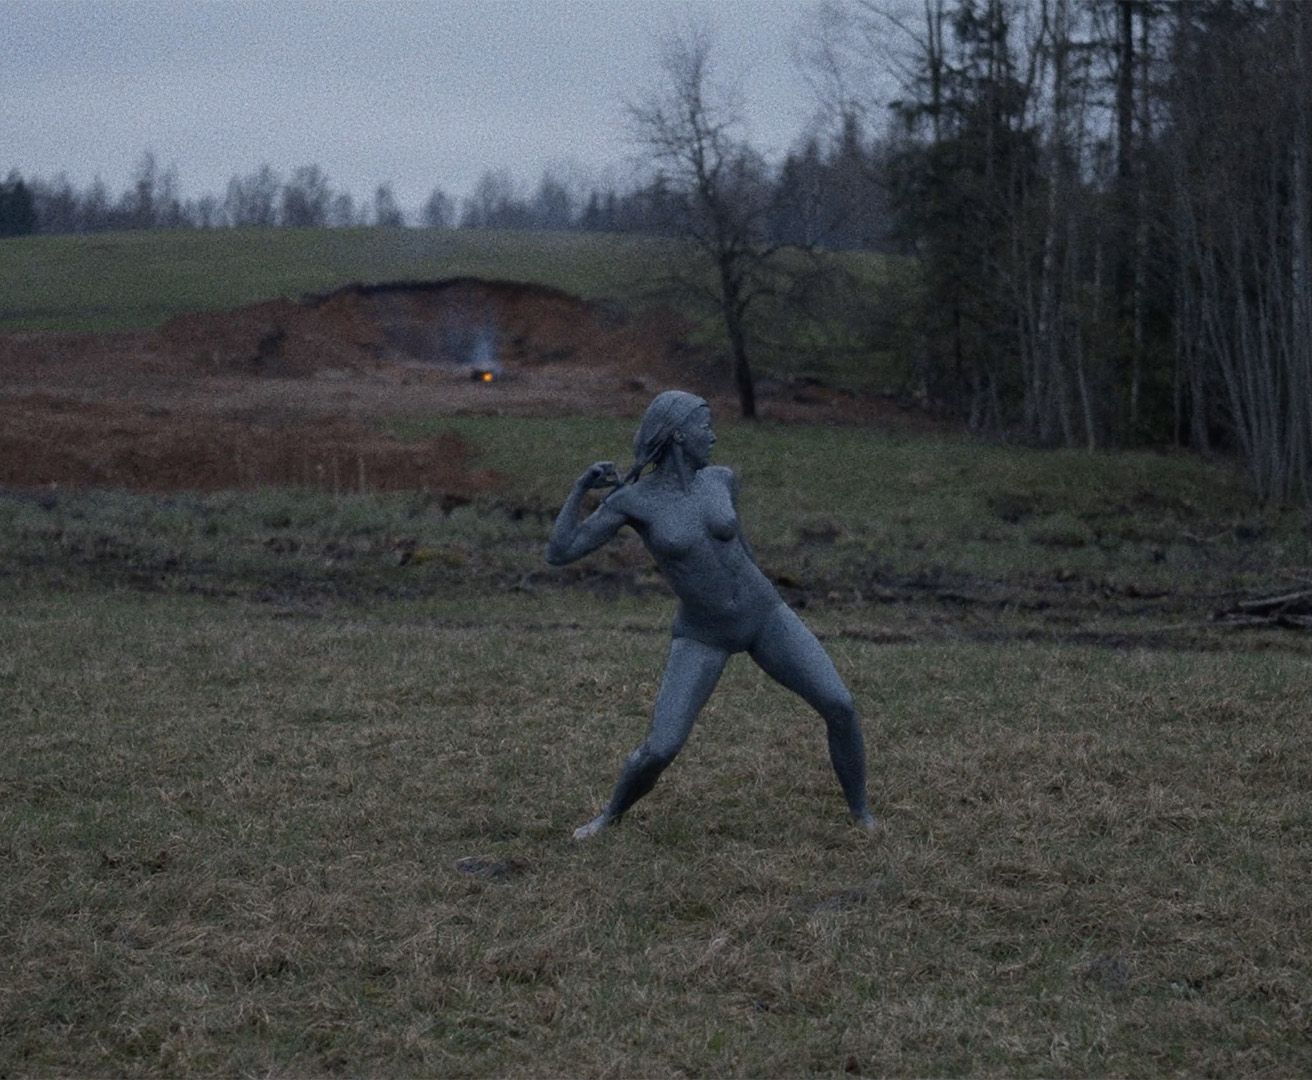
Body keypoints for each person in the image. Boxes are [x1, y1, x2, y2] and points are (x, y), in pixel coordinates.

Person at [546, 390, 876, 840]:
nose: (713, 436)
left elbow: (741, 548)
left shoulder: (721, 479)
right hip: (704, 633)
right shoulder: (634, 501)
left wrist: (771, 597)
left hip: (765, 616)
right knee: (660, 748)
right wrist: (579, 490)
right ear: (679, 435)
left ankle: (861, 813)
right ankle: (608, 817)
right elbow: (561, 552)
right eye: (705, 427)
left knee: (840, 705)